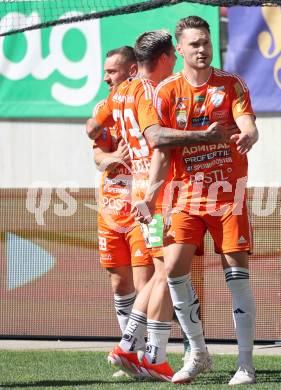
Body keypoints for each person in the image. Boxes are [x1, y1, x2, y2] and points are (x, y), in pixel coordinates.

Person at [87, 29, 237, 382]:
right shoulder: (151, 91)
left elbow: (94, 127)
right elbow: (158, 143)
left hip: (138, 188)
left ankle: (146, 353)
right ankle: (135, 348)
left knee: (161, 273)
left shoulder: (120, 92)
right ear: (168, 57)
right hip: (158, 190)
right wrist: (207, 137)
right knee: (163, 273)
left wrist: (111, 152)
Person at [142, 16, 259, 385]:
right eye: (194, 44)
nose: (202, 49)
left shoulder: (230, 84)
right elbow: (161, 149)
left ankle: (245, 364)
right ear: (179, 50)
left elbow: (248, 122)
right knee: (174, 269)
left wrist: (250, 135)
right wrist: (149, 196)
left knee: (235, 275)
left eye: (206, 42)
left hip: (227, 195)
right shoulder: (166, 92)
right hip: (184, 196)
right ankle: (198, 353)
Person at [90, 46, 154, 378]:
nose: (105, 78)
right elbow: (97, 155)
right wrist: (113, 156)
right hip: (110, 210)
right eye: (105, 72)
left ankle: (142, 353)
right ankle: (132, 354)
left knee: (146, 282)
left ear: (130, 71)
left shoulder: (145, 100)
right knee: (119, 283)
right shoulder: (103, 109)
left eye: (111, 72)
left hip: (140, 209)